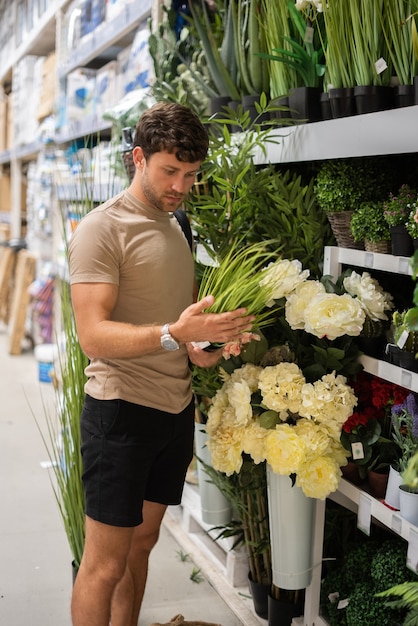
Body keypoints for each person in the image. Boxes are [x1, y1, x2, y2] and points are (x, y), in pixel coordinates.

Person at [68, 101, 256, 626]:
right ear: (138, 158)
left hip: (172, 411)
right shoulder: (102, 230)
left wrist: (207, 342)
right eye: (169, 170)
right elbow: (92, 336)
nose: (180, 185)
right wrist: (176, 334)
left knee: (142, 545)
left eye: (190, 174)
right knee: (103, 565)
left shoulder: (179, 225)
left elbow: (184, 327)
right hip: (119, 413)